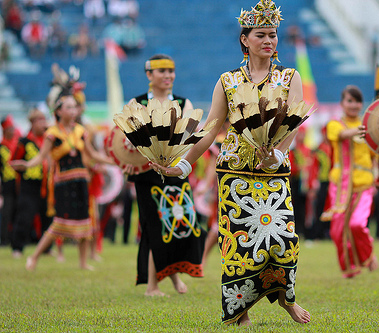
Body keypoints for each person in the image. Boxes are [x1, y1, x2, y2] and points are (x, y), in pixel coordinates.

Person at [150, 0, 311, 325]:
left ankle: (285, 298)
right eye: (261, 35)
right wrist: (183, 164)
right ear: (245, 39)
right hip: (235, 172)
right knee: (241, 246)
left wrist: (278, 153)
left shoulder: (290, 77)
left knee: (283, 243)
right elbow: (210, 129)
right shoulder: (228, 81)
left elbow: (293, 122)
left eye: (273, 35)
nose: (269, 41)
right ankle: (241, 311)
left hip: (274, 170)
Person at [125, 54, 206, 297]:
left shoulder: (184, 102)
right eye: (162, 71)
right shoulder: (137, 102)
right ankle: (152, 286)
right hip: (146, 175)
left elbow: (190, 136)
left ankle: (172, 278)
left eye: (171, 71)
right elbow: (126, 140)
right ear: (149, 75)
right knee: (154, 227)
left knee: (181, 223)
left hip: (175, 172)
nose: (168, 76)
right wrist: (127, 161)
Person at [10, 92, 114, 271]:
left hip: (81, 180)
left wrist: (115, 161)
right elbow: (41, 157)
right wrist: (26, 165)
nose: (73, 111)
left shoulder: (81, 132)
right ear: (58, 111)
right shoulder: (52, 134)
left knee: (84, 221)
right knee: (59, 224)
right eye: (69, 107)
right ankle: (34, 257)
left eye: (74, 107)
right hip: (63, 183)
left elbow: (93, 154)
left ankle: (82, 263)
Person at [324, 85, 378, 278]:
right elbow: (340, 135)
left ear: (361, 104)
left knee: (356, 224)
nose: (353, 105)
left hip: (364, 184)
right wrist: (364, 130)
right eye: (349, 101)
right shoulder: (335, 124)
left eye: (356, 101)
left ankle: (368, 255)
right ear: (342, 103)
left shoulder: (368, 128)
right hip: (340, 186)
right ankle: (349, 267)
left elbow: (375, 155)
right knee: (337, 230)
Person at [10, 108, 52, 258]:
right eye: (39, 120)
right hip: (29, 185)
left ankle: (47, 248)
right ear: (32, 123)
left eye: (44, 120)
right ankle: (17, 248)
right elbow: (15, 162)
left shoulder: (49, 140)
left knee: (47, 217)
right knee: (25, 217)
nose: (43, 124)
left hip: (47, 184)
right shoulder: (24, 141)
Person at [0, 115, 19, 246]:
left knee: (18, 211)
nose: (12, 131)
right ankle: (4, 239)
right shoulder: (2, 147)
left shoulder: (17, 144)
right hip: (7, 184)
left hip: (18, 184)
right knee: (6, 212)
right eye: (10, 128)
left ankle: (15, 238)